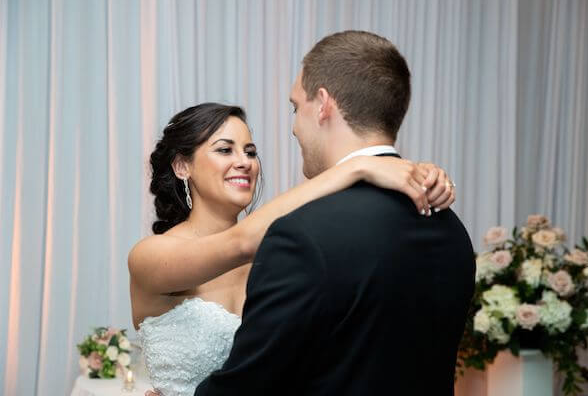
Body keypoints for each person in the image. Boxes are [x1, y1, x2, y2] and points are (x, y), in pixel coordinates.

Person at [192, 30, 475, 396]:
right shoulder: (450, 228)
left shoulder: (301, 237)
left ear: (323, 104)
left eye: (296, 107)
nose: (294, 126)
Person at [130, 102, 455, 395]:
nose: (244, 162)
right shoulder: (150, 255)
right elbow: (240, 242)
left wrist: (418, 176)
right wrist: (359, 167)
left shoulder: (282, 252)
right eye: (225, 150)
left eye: (251, 151)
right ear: (182, 167)